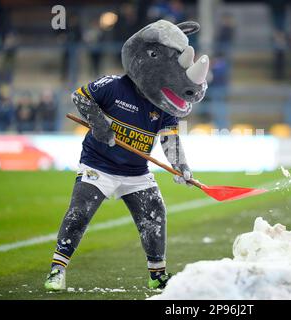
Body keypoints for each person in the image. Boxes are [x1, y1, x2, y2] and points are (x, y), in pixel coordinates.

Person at [44, 20, 209, 291]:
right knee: (79, 214)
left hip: (136, 172)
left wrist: (182, 167)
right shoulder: (114, 85)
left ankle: (157, 274)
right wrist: (99, 123)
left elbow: (170, 139)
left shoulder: (164, 105)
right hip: (98, 165)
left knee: (155, 214)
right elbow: (81, 97)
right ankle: (56, 270)